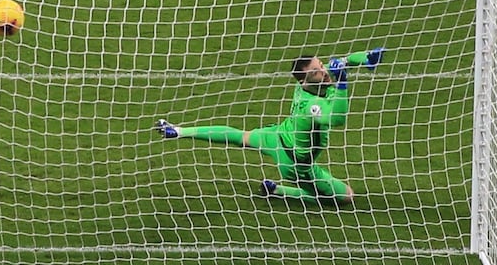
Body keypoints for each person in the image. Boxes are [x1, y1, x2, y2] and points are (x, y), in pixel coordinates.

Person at [155, 48, 385, 204]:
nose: (324, 72)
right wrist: (342, 82)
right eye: (317, 71)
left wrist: (366, 58)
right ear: (305, 80)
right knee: (345, 196)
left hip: (277, 136)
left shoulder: (308, 85)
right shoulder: (311, 106)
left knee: (240, 137)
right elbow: (337, 119)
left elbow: (345, 61)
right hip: (296, 164)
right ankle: (279, 191)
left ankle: (179, 131)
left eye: (321, 65)